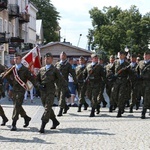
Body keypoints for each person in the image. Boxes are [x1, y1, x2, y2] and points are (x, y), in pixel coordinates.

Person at [4, 52, 37, 131]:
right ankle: (26, 117)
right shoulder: (12, 68)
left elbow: (32, 79)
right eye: (14, 58)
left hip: (21, 90)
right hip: (14, 90)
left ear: (21, 59)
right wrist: (10, 82)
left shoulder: (25, 69)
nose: (15, 60)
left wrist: (38, 87)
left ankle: (14, 123)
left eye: (17, 58)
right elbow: (6, 75)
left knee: (16, 105)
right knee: (17, 105)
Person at [36, 53, 66, 133]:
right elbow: (37, 80)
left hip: (51, 91)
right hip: (43, 92)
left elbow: (61, 79)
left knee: (47, 108)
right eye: (45, 58)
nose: (46, 60)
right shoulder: (41, 69)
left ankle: (42, 126)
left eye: (48, 58)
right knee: (48, 108)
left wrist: (66, 90)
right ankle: (55, 121)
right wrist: (39, 87)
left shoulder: (55, 70)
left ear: (52, 59)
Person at [55, 51, 77, 116]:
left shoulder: (68, 65)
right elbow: (53, 72)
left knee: (62, 97)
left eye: (64, 55)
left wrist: (75, 81)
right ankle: (66, 107)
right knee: (58, 97)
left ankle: (60, 110)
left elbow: (73, 73)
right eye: (61, 55)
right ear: (60, 56)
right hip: (57, 84)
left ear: (66, 57)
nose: (63, 56)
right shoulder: (57, 64)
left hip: (64, 83)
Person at [110, 51, 131, 117]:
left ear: (124, 56)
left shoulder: (127, 64)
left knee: (121, 95)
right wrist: (112, 75)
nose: (120, 56)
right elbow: (111, 69)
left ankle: (120, 110)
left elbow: (129, 73)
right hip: (116, 81)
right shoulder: (116, 62)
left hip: (123, 81)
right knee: (114, 94)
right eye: (119, 55)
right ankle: (120, 105)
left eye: (121, 55)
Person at [137, 51, 150, 119]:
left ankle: (143, 112)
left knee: (146, 97)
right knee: (143, 96)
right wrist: (137, 76)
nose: (145, 56)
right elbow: (137, 71)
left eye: (147, 55)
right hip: (141, 83)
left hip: (148, 83)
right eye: (144, 55)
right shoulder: (140, 63)